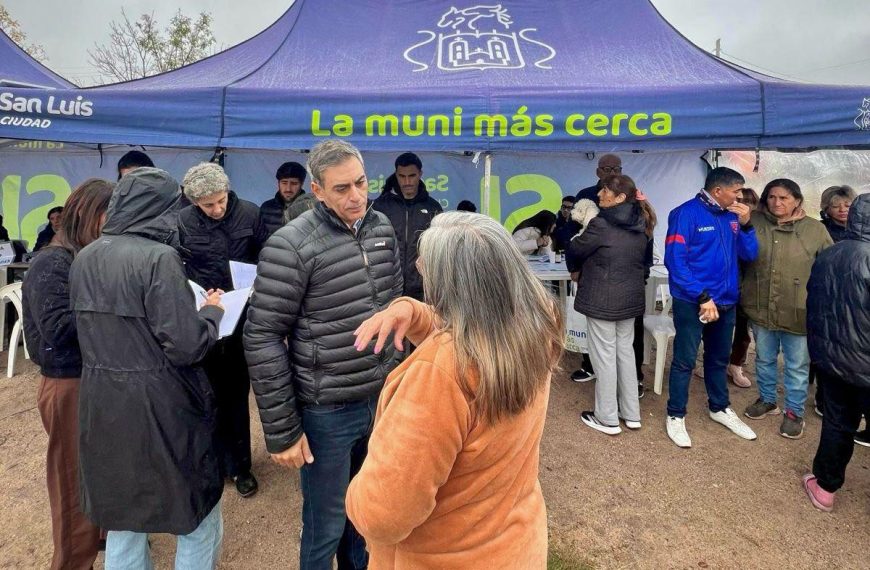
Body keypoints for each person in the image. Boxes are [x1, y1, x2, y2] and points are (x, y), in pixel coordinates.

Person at [347, 211, 560, 568]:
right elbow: (475, 322)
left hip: (442, 556)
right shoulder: (534, 324)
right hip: (514, 545)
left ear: (455, 287)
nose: (417, 266)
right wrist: (411, 311)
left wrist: (355, 492)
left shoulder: (441, 373)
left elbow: (384, 515)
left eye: (426, 266)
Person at [243, 139, 402, 570]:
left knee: (366, 514)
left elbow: (394, 308)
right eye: (341, 188)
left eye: (361, 183)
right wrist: (282, 431)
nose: (355, 196)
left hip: (380, 400)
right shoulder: (289, 246)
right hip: (326, 410)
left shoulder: (382, 228)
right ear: (316, 191)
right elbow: (261, 337)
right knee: (325, 525)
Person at [69, 167, 225, 569]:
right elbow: (187, 346)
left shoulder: (85, 257)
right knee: (196, 518)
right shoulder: (159, 257)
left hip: (102, 402)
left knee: (124, 516)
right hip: (161, 405)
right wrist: (210, 313)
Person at [22, 179, 113, 570]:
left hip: (92, 377)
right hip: (68, 382)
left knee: (99, 470)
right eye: (107, 218)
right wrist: (115, 307)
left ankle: (102, 537)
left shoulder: (82, 255)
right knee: (72, 482)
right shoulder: (51, 262)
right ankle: (74, 561)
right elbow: (57, 330)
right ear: (86, 214)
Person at [179, 162, 267, 497]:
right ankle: (214, 464)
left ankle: (241, 466)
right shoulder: (183, 221)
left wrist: (258, 285)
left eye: (221, 201)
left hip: (241, 316)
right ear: (194, 203)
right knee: (206, 395)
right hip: (204, 317)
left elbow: (266, 255)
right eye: (208, 205)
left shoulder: (249, 213)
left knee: (235, 394)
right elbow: (177, 264)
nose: (217, 209)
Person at [663, 167, 759, 448]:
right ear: (718, 191)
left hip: (726, 301)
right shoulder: (685, 214)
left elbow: (750, 254)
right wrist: (702, 296)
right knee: (684, 360)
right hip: (694, 301)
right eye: (736, 190)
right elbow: (675, 262)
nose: (740, 196)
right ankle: (675, 414)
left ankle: (719, 408)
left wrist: (746, 225)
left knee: (718, 360)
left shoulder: (733, 216)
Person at [739, 179, 832, 439]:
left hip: (798, 310)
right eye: (771, 197)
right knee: (764, 357)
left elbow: (828, 270)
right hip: (761, 304)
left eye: (784, 198)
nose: (777, 203)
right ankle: (768, 399)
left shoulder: (815, 230)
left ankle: (794, 411)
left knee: (797, 365)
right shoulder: (754, 222)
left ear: (797, 201)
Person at [567, 175, 653, 435]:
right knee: (625, 353)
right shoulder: (643, 223)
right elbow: (645, 262)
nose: (600, 194)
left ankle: (607, 418)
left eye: (606, 190)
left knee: (604, 357)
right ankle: (631, 413)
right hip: (630, 297)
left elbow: (575, 250)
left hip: (602, 298)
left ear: (620, 198)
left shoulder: (601, 224)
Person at [803, 193, 870, 511]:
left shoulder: (830, 254)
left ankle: (825, 488)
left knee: (838, 423)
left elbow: (814, 301)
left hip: (834, 360)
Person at [373, 152, 442, 301]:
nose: (407, 182)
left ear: (420, 174)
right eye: (402, 176)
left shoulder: (433, 208)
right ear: (396, 175)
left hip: (422, 291)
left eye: (412, 176)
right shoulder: (381, 206)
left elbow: (439, 251)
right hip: (386, 288)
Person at [726, 187, 760, 388]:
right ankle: (713, 362)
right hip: (727, 285)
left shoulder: (757, 226)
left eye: (748, 201)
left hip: (749, 286)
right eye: (739, 200)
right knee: (716, 328)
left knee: (742, 329)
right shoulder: (726, 221)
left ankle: (735, 364)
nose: (743, 205)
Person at [259, 161, 309, 236]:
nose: (288, 189)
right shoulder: (266, 208)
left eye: (294, 183)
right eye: (284, 183)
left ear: (301, 184)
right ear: (278, 183)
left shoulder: (310, 208)